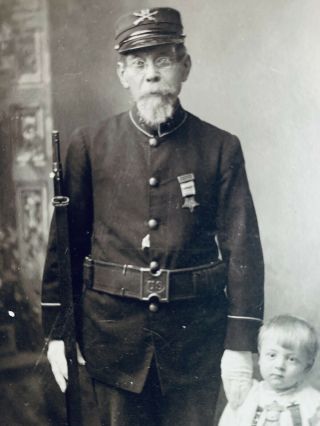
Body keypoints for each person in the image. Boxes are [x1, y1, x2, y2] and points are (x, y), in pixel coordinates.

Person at [41, 7, 264, 426]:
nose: (151, 74)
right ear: (122, 74)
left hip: (195, 342)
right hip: (113, 340)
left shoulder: (220, 147)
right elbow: (65, 245)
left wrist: (240, 343)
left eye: (163, 60)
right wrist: (57, 332)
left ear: (185, 66)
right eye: (138, 63)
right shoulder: (88, 145)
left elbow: (243, 248)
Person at [219, 315, 320, 426]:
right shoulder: (248, 396)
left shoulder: (313, 403)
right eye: (272, 355)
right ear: (260, 356)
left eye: (291, 359)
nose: (279, 365)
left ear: (307, 366)